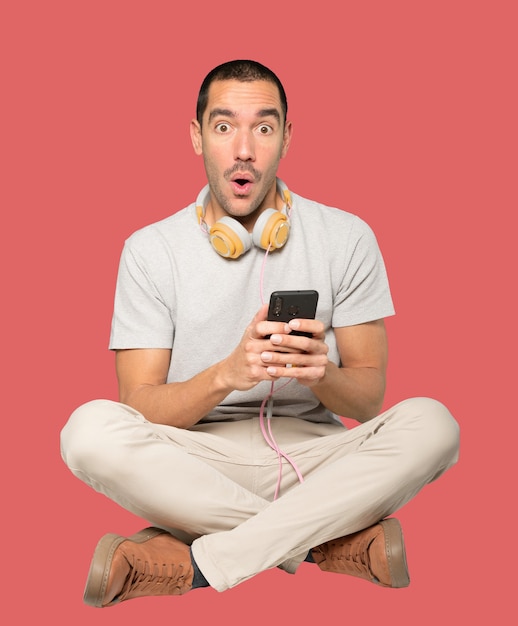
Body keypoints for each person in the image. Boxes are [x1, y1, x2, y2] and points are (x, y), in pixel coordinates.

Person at [60, 59, 460, 608]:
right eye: (224, 127)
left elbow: (370, 400)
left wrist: (322, 374)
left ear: (287, 139)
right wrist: (225, 375)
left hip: (318, 460)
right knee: (87, 431)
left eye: (264, 128)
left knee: (434, 424)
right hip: (195, 463)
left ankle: (202, 561)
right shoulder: (150, 250)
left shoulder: (347, 237)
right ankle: (326, 541)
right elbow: (141, 406)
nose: (244, 149)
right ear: (197, 137)